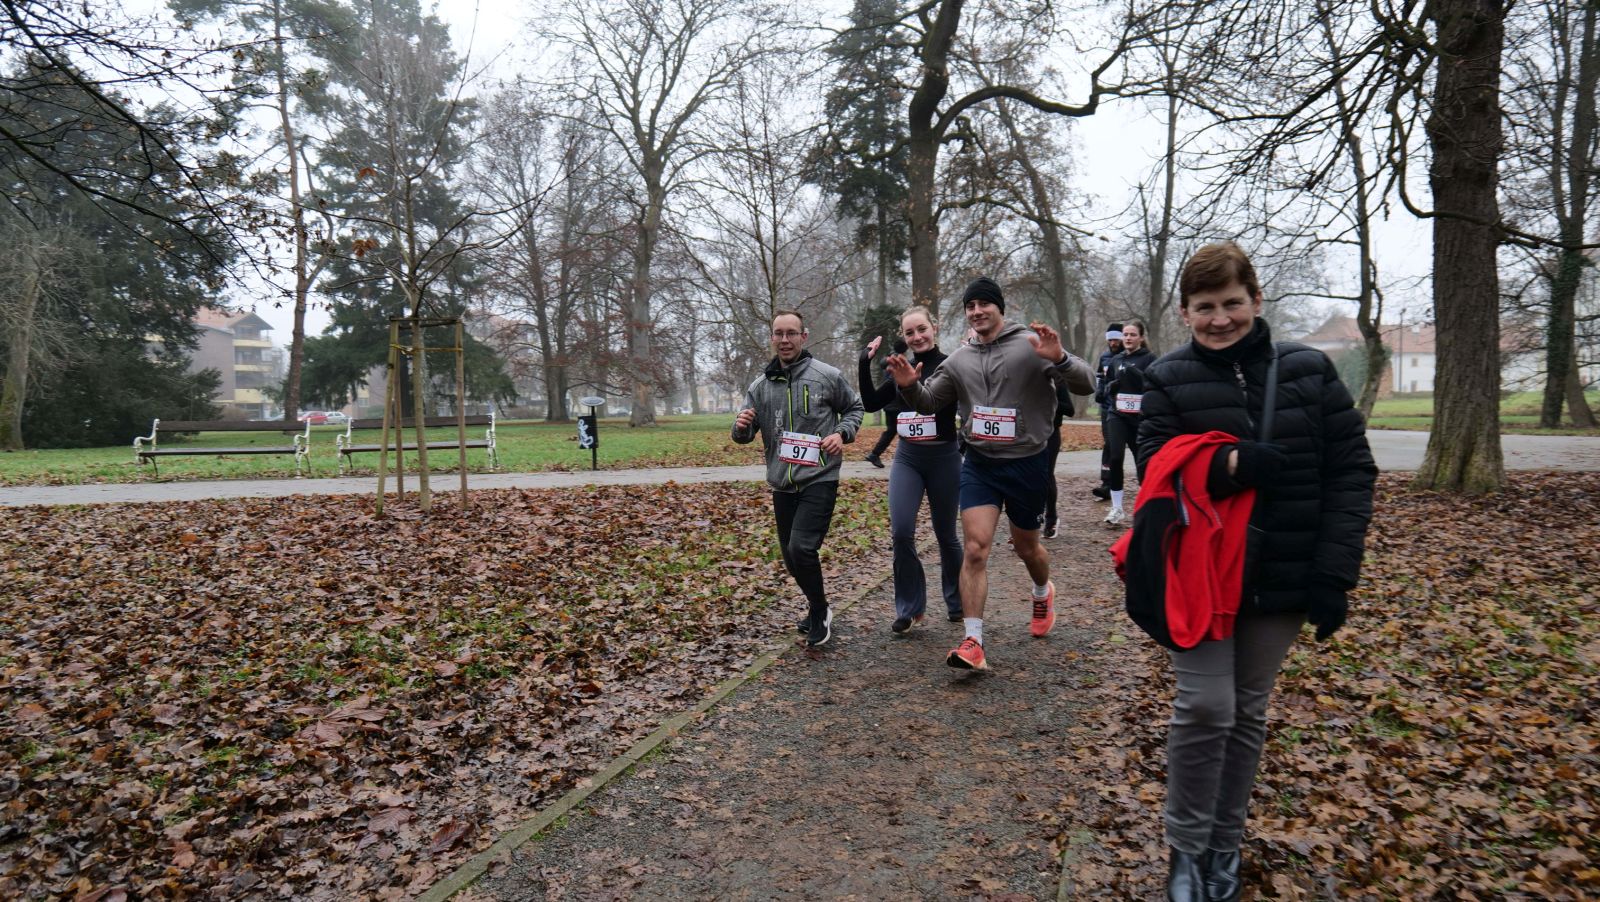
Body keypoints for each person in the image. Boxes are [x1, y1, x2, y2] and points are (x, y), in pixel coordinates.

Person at [1135, 243, 1376, 901]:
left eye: (1232, 303)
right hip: (1200, 575)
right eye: (1204, 307)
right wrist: (1229, 466)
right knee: (1206, 704)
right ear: (1185, 312)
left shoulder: (1308, 370)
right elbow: (1153, 468)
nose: (1220, 319)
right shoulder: (1167, 377)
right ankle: (1186, 849)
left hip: (1285, 572)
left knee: (1246, 711)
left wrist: (1334, 574)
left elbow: (1351, 471)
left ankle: (1224, 844)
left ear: (1256, 300)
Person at [886, 276, 1093, 671]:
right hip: (980, 463)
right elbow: (929, 403)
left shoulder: (1031, 345)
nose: (977, 311)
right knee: (976, 548)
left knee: (1027, 548)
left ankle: (1041, 590)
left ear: (1000, 307)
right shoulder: (959, 359)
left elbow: (1088, 384)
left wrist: (1061, 359)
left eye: (984, 304)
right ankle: (973, 641)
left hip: (1027, 463)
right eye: (971, 306)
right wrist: (910, 387)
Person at [732, 311, 865, 648]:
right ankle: (818, 605)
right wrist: (741, 426)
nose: (785, 340)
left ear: (804, 336)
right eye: (778, 333)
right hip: (782, 482)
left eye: (791, 333)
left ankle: (819, 611)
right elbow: (743, 434)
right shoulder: (760, 387)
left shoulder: (827, 376)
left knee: (801, 548)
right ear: (772, 338)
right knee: (792, 558)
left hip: (819, 475)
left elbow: (854, 408)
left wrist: (841, 433)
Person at [858, 308, 964, 631]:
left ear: (934, 328)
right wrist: (864, 362)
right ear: (903, 337)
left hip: (944, 457)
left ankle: (958, 601)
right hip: (908, 459)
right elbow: (871, 403)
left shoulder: (952, 365)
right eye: (909, 333)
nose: (917, 337)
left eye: (922, 329)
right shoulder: (900, 367)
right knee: (902, 531)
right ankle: (909, 607)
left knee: (946, 534)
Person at [1099, 319, 1155, 528]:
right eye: (1126, 335)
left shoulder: (1150, 359)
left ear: (1141, 337)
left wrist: (1137, 375)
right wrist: (1110, 388)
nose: (1128, 338)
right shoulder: (1116, 359)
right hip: (1117, 414)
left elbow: (1154, 386)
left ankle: (1147, 505)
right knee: (1115, 456)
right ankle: (1117, 508)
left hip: (1139, 417)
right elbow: (1106, 386)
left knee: (1142, 460)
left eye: (1132, 335)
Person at [1091, 324, 1124, 501]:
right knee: (1109, 445)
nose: (1113, 343)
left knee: (1136, 447)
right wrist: (1099, 391)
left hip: (1127, 410)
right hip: (1108, 409)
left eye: (1116, 339)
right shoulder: (1104, 357)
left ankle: (1147, 481)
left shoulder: (1127, 357)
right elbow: (1100, 376)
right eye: (1110, 340)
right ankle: (1107, 483)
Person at [1041, 369, 1075, 539]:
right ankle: (1025, 522)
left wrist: (1050, 400)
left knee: (1046, 475)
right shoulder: (1025, 378)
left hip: (1051, 433)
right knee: (1025, 475)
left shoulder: (1057, 380)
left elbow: (1070, 409)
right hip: (1028, 433)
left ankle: (1051, 518)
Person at [863, 339, 908, 468]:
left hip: (889, 402)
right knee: (901, 430)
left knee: (892, 430)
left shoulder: (888, 359)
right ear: (905, 349)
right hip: (896, 402)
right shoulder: (899, 361)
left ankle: (875, 454)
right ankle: (877, 454)